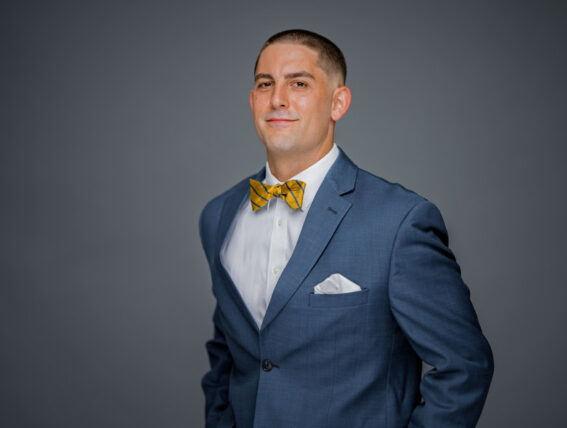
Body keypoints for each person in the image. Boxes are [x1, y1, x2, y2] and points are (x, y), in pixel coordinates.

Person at [199, 29, 493, 428]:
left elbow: (465, 365)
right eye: (265, 84)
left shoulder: (399, 221)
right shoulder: (219, 215)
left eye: (298, 84)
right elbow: (228, 353)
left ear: (338, 103)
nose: (277, 99)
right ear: (252, 100)